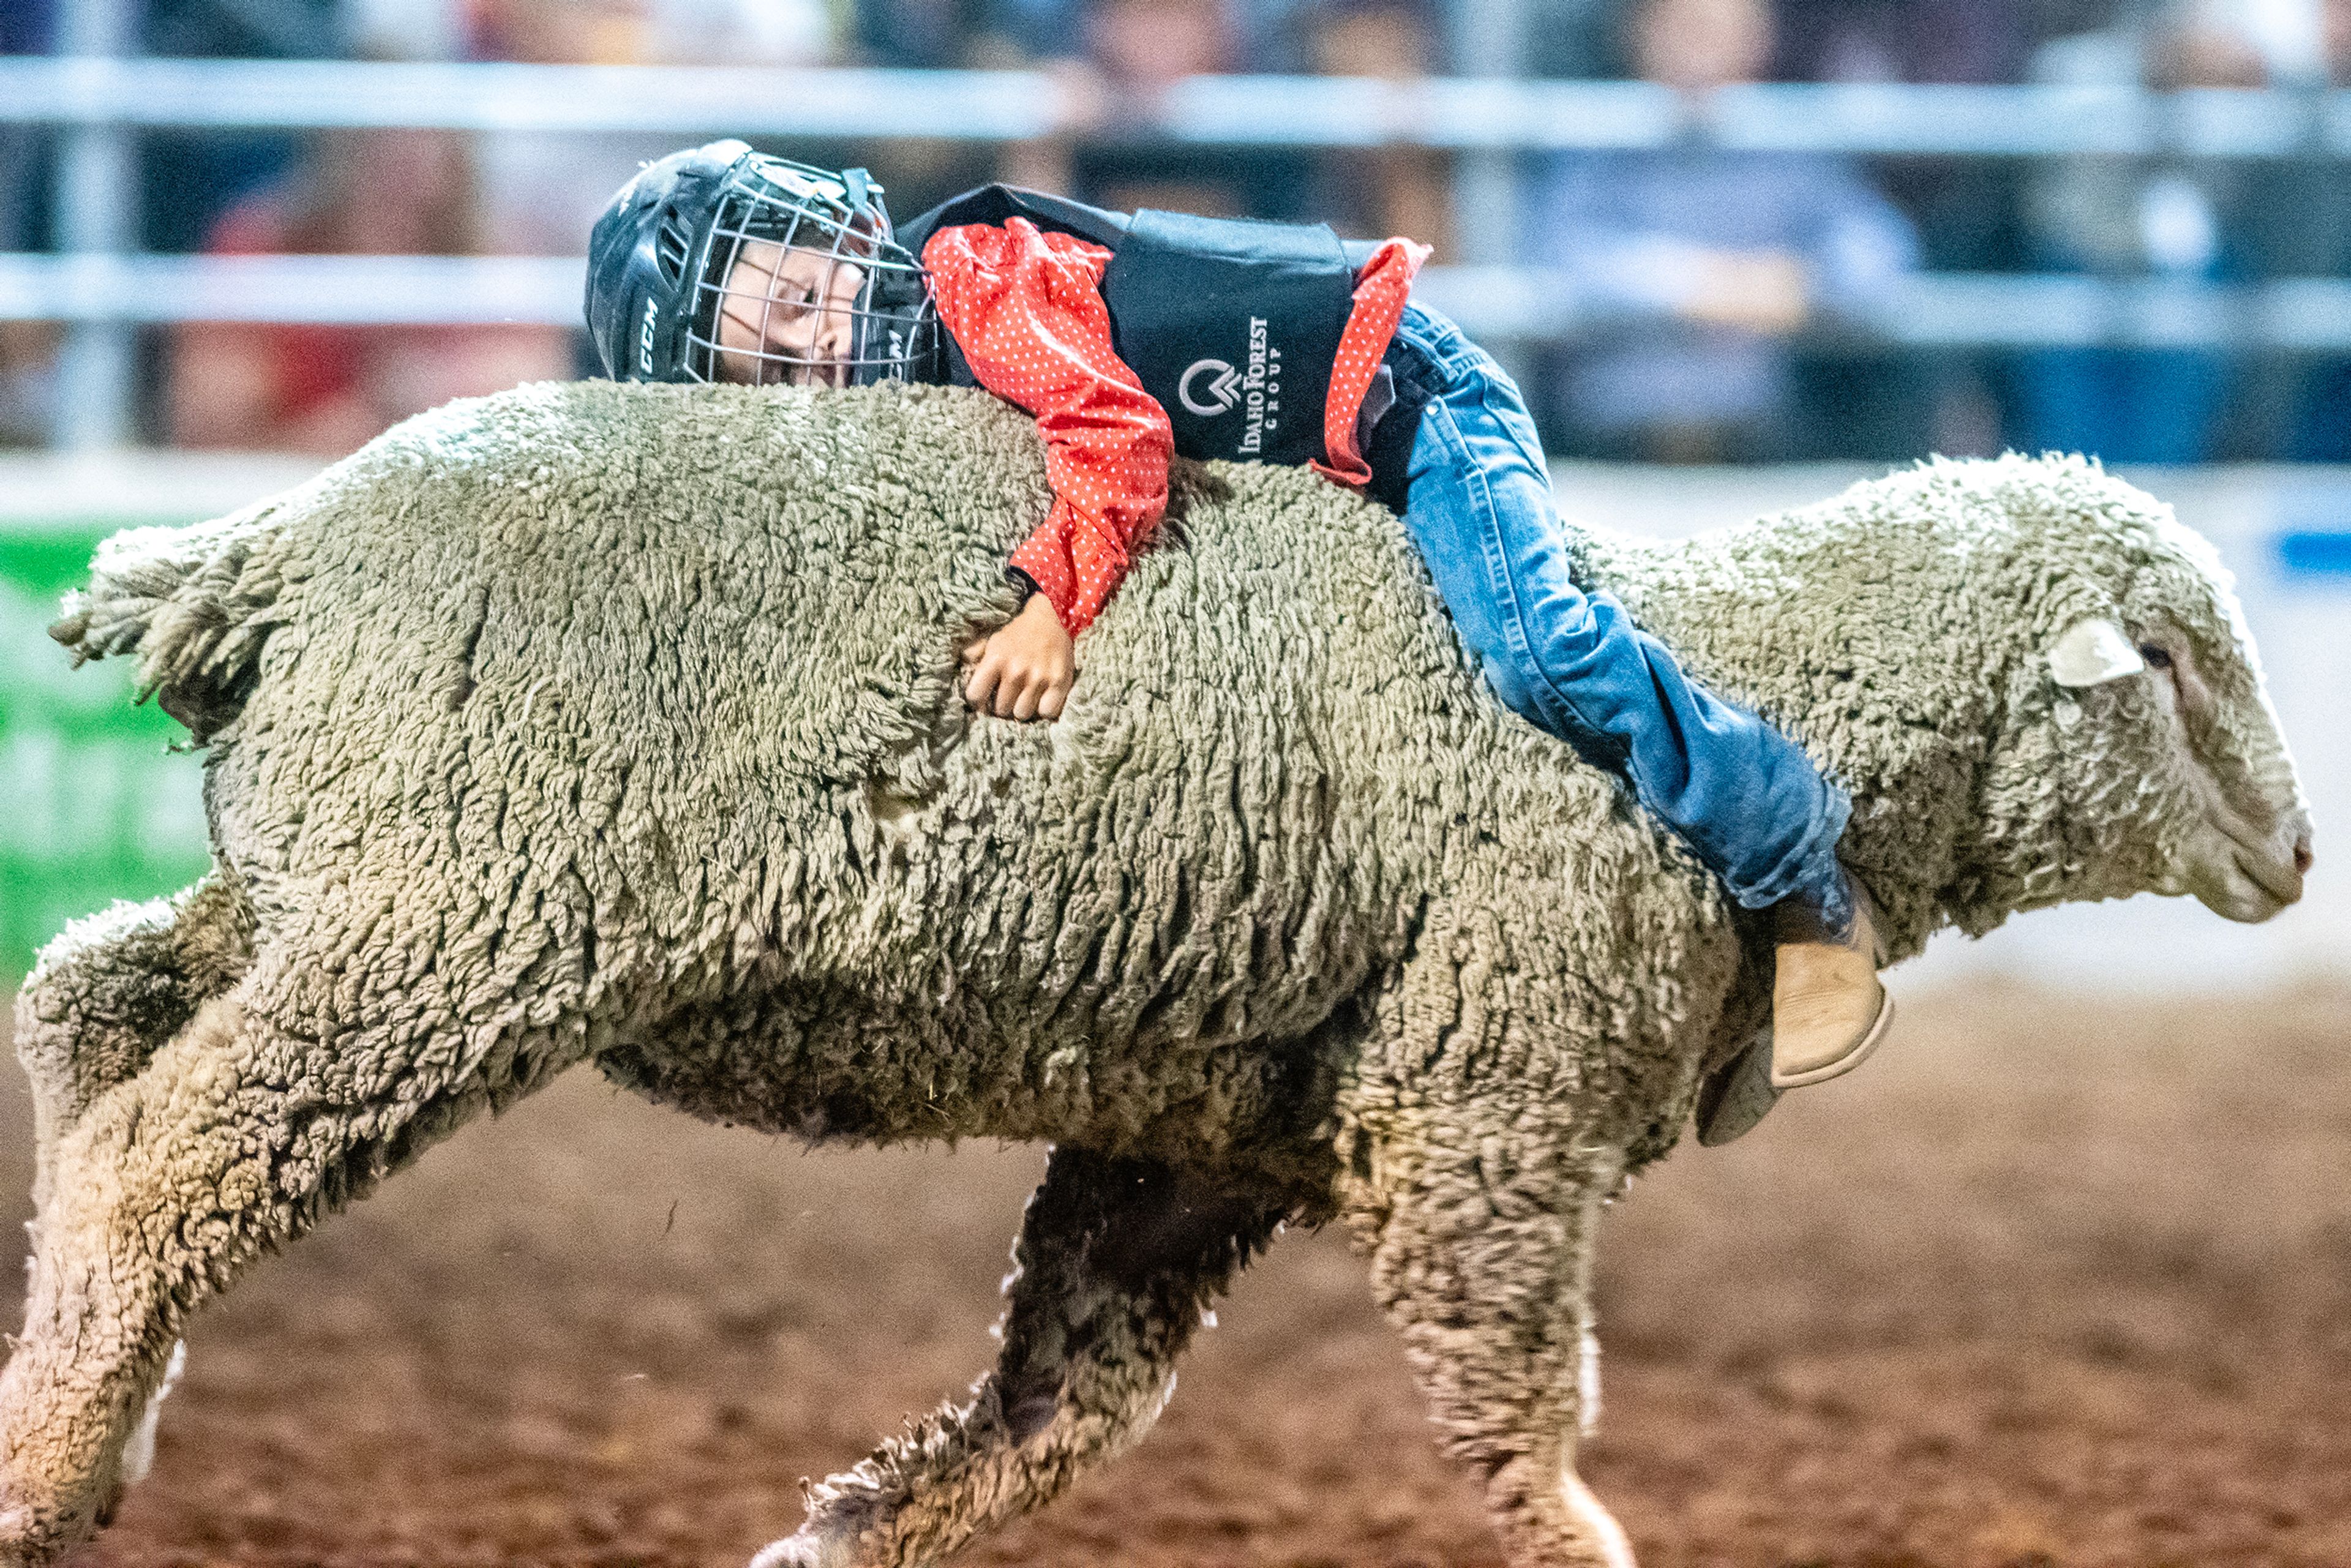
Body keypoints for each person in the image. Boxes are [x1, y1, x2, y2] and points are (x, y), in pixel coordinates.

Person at [581, 141, 1893, 1109]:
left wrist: (1051, 609)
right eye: (769, 362)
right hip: (1320, 465)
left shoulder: (971, 277)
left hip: (1409, 404)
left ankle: (1798, 865)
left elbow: (1119, 436)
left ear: (831, 228)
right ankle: (1715, 1004)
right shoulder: (904, 386)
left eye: (799, 305)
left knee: (1535, 653)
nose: (813, 352)